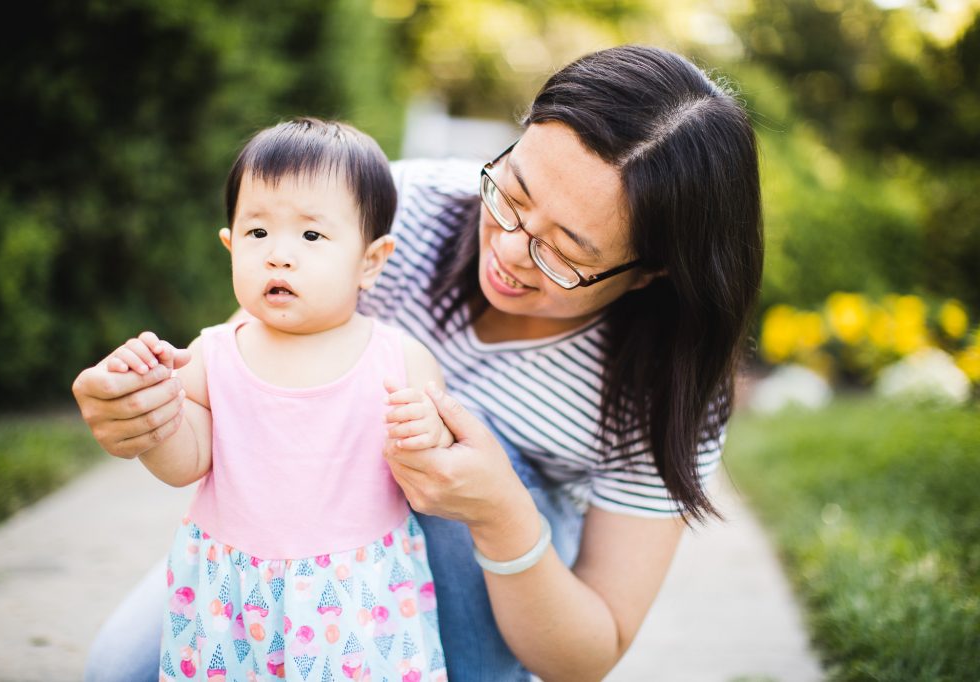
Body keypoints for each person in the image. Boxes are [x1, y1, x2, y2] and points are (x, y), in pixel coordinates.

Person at [73, 45, 763, 682]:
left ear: (651, 273)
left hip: (483, 569)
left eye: (566, 253)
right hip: (293, 545)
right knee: (120, 671)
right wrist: (146, 410)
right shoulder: (401, 208)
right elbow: (238, 365)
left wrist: (499, 512)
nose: (512, 251)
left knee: (461, 434)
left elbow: (589, 652)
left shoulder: (661, 388)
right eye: (512, 194)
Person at [96, 117, 451, 681]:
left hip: (358, 599)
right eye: (258, 234)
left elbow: (435, 474)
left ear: (371, 260)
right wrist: (155, 410)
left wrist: (429, 440)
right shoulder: (212, 354)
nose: (279, 255)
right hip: (231, 598)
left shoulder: (398, 359)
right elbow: (186, 462)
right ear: (230, 243)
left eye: (311, 236)